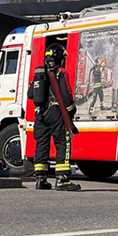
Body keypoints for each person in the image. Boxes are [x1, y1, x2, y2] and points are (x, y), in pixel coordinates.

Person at [28, 43, 80, 191]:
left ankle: (40, 179)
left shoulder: (40, 74)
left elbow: (30, 94)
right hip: (56, 112)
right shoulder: (61, 73)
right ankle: (62, 179)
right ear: (59, 58)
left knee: (42, 144)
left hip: (40, 114)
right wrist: (71, 112)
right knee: (63, 142)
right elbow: (66, 97)